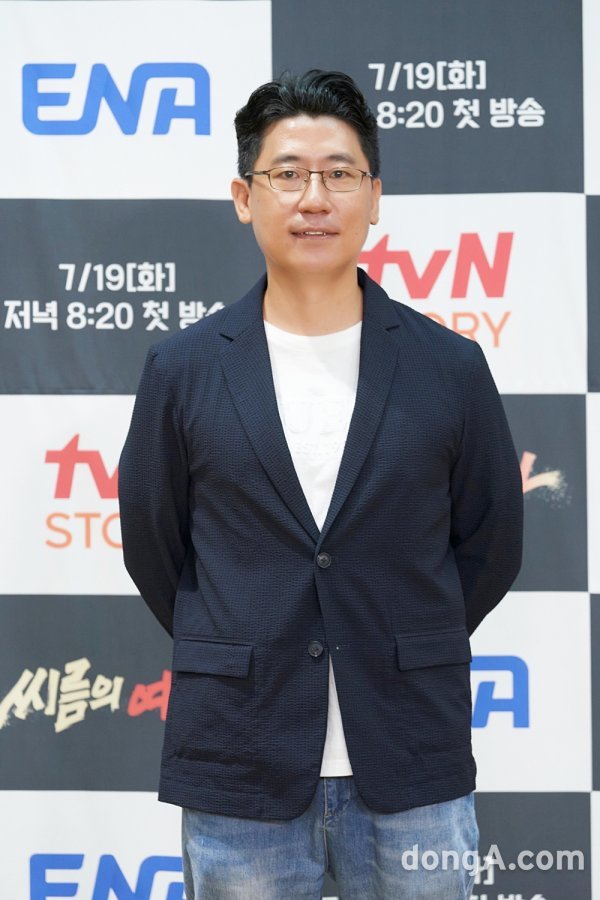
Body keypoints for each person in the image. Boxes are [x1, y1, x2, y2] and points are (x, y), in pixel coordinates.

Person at [119, 69, 523, 900]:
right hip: (239, 757)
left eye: (340, 173)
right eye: (288, 173)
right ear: (244, 197)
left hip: (412, 750)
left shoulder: (449, 367)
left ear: (374, 197)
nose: (314, 198)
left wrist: (401, 636)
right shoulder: (183, 370)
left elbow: (491, 545)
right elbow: (155, 546)